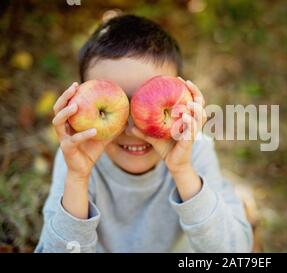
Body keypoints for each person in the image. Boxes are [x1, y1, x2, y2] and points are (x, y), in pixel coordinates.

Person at [35, 14, 253, 253]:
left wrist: (182, 170)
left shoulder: (195, 150)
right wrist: (77, 178)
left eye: (145, 104)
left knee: (227, 208)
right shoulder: (76, 160)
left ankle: (238, 203)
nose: (132, 128)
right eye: (116, 107)